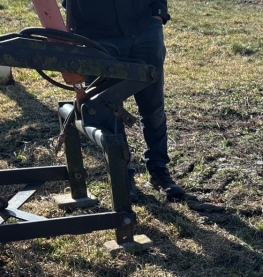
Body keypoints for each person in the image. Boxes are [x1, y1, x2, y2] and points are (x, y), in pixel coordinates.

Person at [63, 0, 185, 200]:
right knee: (106, 107)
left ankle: (158, 169)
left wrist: (158, 14)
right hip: (97, 36)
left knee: (153, 106)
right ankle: (122, 175)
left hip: (144, 27)